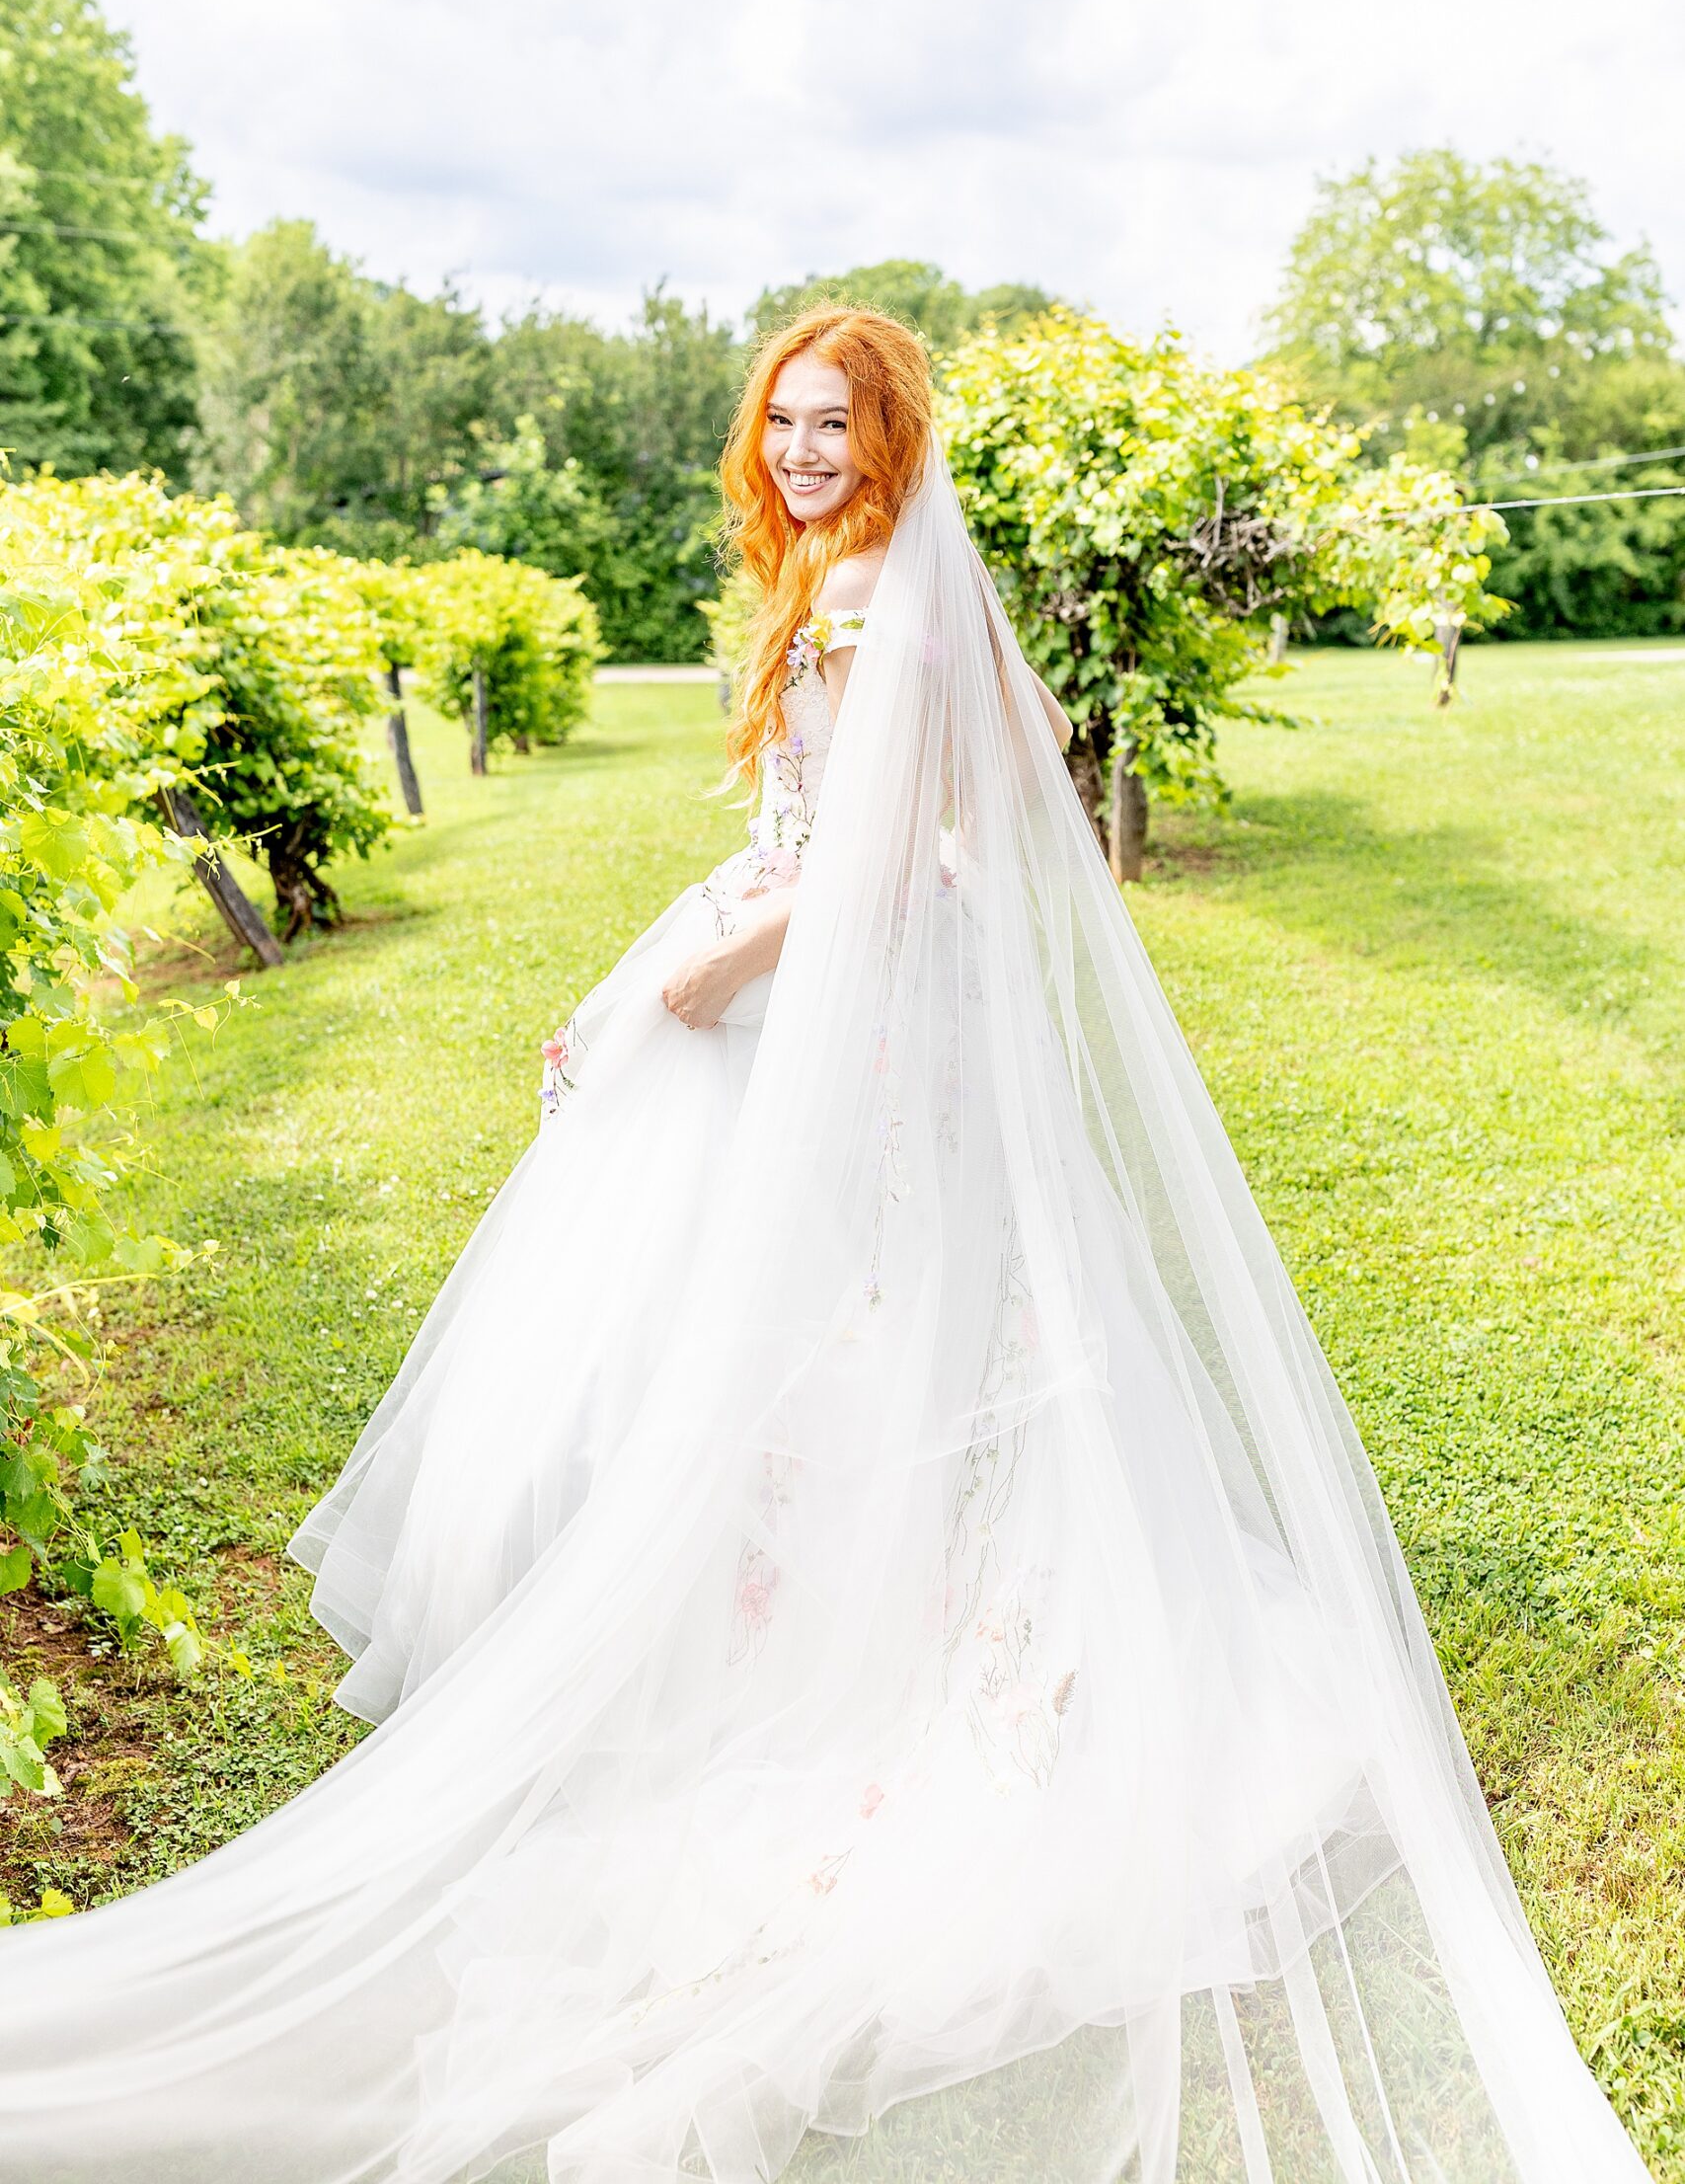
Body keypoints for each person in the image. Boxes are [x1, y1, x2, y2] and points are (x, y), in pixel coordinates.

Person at [0, 309, 1651, 2183]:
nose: (795, 451)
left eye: (831, 420)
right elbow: (998, 772)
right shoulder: (874, 573)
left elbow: (898, 843)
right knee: (898, 1329)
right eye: (778, 420)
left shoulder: (876, 582)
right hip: (851, 980)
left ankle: (875, 1668)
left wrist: (713, 960)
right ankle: (907, 1629)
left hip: (836, 1003)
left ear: (887, 432)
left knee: (835, 1332)